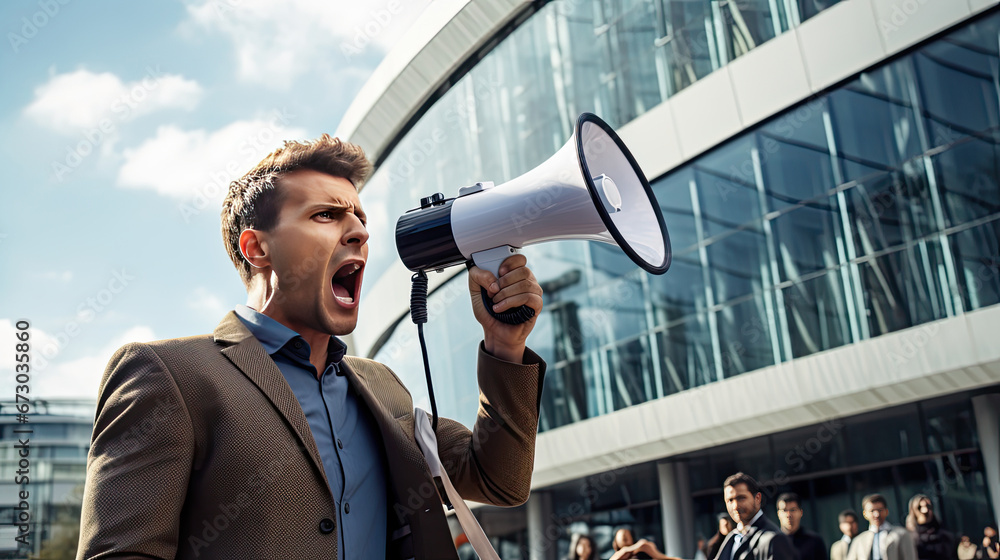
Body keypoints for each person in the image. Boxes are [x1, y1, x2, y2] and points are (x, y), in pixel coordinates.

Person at [75, 135, 547, 559]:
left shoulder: (382, 386)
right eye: (326, 215)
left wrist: (504, 345)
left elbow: (498, 481)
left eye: (360, 218)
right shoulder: (169, 374)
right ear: (257, 249)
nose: (360, 233)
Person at [714, 472, 797, 560]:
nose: (735, 506)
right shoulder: (731, 537)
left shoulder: (775, 539)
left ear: (757, 498)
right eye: (730, 500)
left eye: (741, 498)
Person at [846, 494, 917, 560]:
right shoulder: (859, 541)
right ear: (865, 514)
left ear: (886, 511)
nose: (876, 514)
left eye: (880, 510)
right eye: (872, 511)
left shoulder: (901, 534)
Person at [777, 492, 827, 560]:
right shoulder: (773, 542)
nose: (789, 515)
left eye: (793, 510)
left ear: (801, 512)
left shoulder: (815, 541)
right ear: (778, 514)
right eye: (784, 510)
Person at [904, 494, 955, 560]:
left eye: (928, 506)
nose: (925, 510)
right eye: (919, 507)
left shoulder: (944, 535)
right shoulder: (910, 538)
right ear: (914, 511)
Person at [609, 527, 681, 560]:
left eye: (627, 534)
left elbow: (661, 557)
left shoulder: (642, 551)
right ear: (616, 542)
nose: (624, 536)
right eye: (621, 535)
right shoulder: (617, 556)